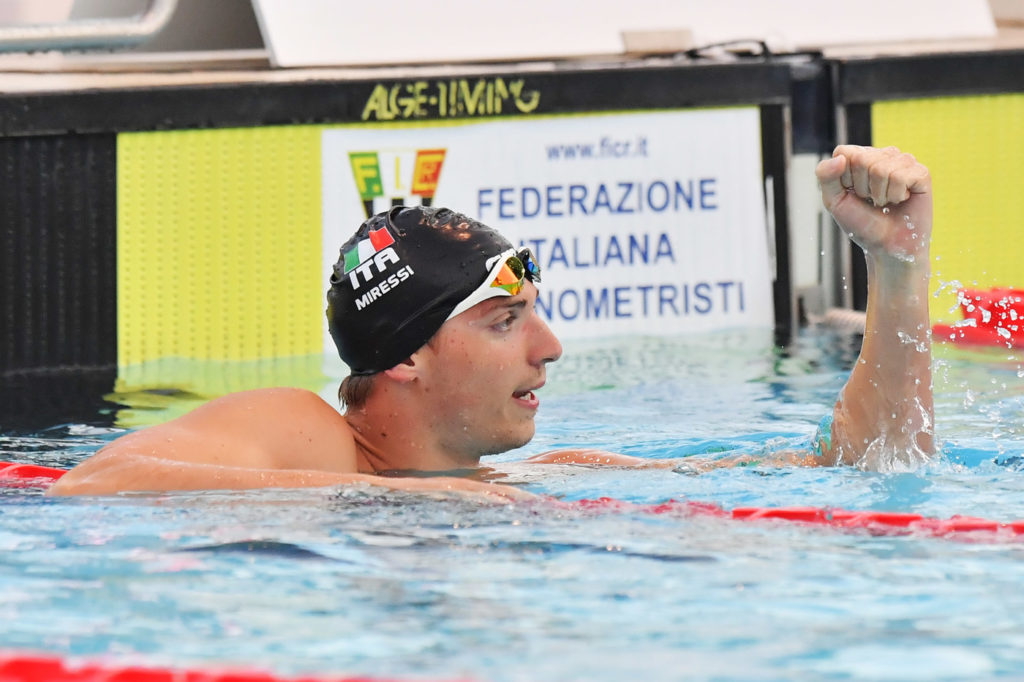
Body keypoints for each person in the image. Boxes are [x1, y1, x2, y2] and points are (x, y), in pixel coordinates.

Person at [48, 145, 934, 498]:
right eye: (506, 319)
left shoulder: (544, 478)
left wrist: (897, 269)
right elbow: (94, 484)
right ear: (403, 357)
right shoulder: (309, 433)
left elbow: (871, 461)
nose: (551, 348)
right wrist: (398, 503)